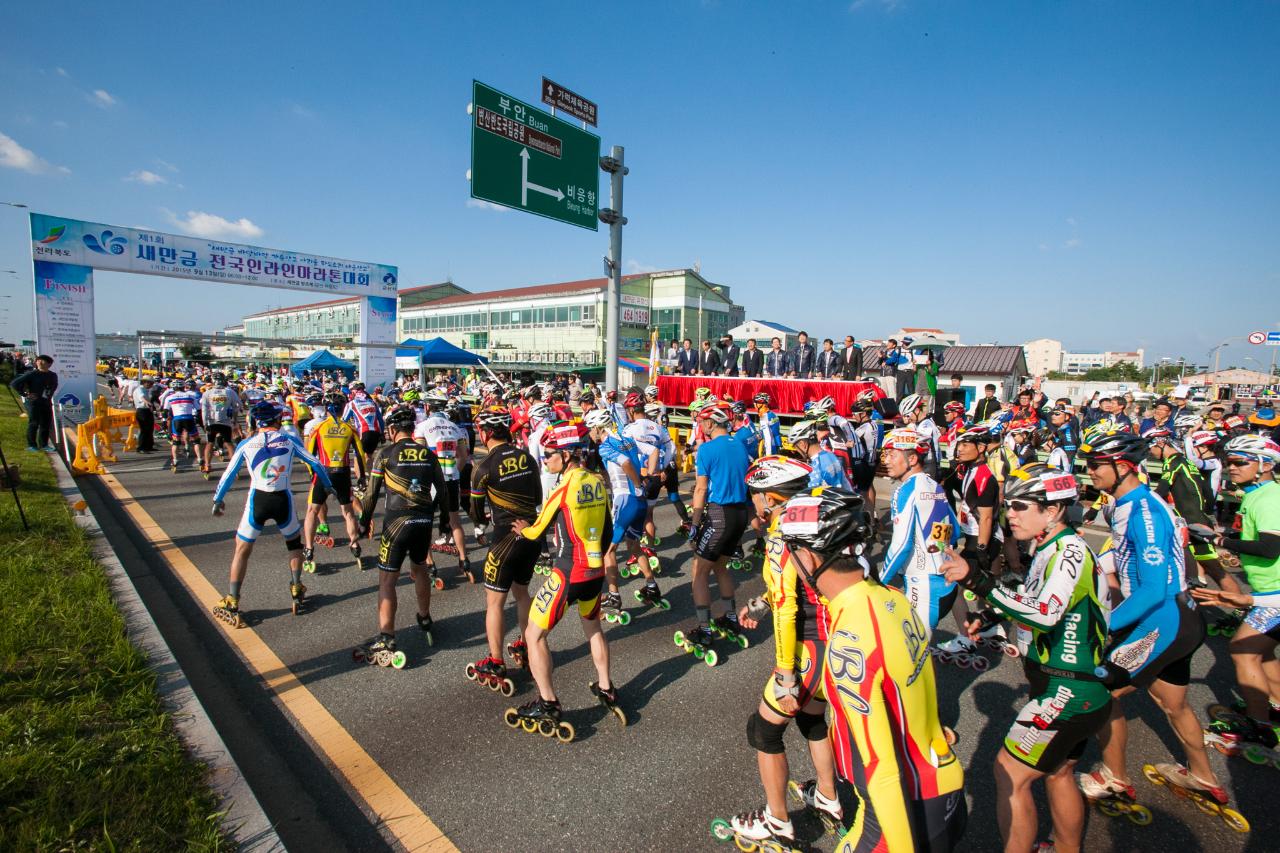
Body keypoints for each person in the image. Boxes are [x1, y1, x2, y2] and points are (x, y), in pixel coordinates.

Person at [779, 488, 968, 852]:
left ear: (809, 556)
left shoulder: (851, 638)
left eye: (792, 553)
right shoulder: (890, 598)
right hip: (940, 781)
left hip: (897, 810)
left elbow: (882, 771)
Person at [943, 464, 1111, 853]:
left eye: (1020, 506)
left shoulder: (1069, 550)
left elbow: (1046, 611)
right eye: (1008, 506)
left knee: (1011, 776)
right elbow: (1040, 599)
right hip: (1069, 685)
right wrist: (992, 614)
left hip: (1066, 689)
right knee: (1059, 773)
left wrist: (978, 581)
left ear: (1052, 511)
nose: (1009, 514)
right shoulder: (1049, 545)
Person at [1074, 431, 1230, 813]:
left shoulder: (1142, 511)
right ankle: (1204, 776)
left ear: (1122, 466)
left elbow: (1152, 589)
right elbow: (1129, 560)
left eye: (1096, 466)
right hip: (1181, 615)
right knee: (1172, 702)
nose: (1089, 472)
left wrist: (1103, 623)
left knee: (1102, 693)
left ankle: (1114, 778)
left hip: (1163, 617)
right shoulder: (1129, 503)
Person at [725, 456, 841, 848]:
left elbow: (789, 605)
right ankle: (828, 795)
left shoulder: (781, 534)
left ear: (772, 498)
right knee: (813, 719)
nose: (753, 504)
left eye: (756, 496)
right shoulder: (817, 518)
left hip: (810, 643)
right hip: (840, 638)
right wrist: (761, 603)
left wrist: (785, 672)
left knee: (764, 731)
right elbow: (801, 585)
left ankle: (777, 821)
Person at [511, 421, 617, 731]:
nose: (545, 460)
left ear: (567, 456)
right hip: (595, 571)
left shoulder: (563, 487)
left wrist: (521, 530)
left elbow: (537, 529)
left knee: (533, 636)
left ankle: (547, 703)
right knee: (594, 628)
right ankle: (606, 686)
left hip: (569, 571)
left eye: (549, 454)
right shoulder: (598, 481)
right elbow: (609, 530)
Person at [211, 401, 334, 626]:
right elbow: (315, 462)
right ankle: (296, 587)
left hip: (258, 499)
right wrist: (326, 485)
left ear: (255, 422)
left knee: (242, 549)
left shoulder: (247, 444)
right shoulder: (289, 440)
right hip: (282, 500)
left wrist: (218, 500)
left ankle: (233, 599)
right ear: (277, 420)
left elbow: (229, 474)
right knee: (293, 546)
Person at [1193, 435, 1280, 748]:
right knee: (1264, 651)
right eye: (1228, 461)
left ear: (1265, 465)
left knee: (1243, 651)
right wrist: (1225, 537)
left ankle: (1259, 727)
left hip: (1274, 593)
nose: (1230, 468)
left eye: (1239, 462)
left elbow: (1271, 547)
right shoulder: (1256, 494)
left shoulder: (1269, 497)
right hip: (1269, 589)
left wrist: (1221, 542)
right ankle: (1274, 706)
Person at [356, 405, 448, 659]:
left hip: (396, 523)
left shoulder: (386, 454)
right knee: (420, 569)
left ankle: (387, 636)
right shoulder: (428, 454)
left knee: (387, 580)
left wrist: (363, 522)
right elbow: (442, 488)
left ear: (394, 429)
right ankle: (425, 617)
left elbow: (371, 493)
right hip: (423, 522)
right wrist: (445, 523)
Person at [469, 407, 544, 683]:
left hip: (504, 539)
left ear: (486, 433)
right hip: (532, 535)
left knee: (495, 603)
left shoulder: (484, 466)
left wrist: (485, 519)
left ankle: (496, 661)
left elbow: (475, 511)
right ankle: (526, 644)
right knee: (522, 593)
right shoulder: (526, 457)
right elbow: (537, 496)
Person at [685, 403, 753, 650]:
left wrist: (694, 522)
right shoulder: (740, 444)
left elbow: (701, 489)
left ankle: (704, 630)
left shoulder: (706, 449)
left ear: (711, 423)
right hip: (740, 514)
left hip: (719, 513)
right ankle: (731, 618)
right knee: (721, 568)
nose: (701, 427)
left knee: (699, 571)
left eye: (703, 422)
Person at [587, 408, 666, 619]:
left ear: (597, 427)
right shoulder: (627, 439)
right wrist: (651, 474)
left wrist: (638, 483)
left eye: (590, 429)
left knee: (608, 550)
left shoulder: (605, 447)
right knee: (634, 546)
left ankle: (613, 596)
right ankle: (651, 586)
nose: (589, 434)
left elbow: (627, 463)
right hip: (639, 501)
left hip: (626, 499)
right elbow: (654, 451)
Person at [880, 427, 962, 632]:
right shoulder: (934, 485)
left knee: (910, 659)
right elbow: (955, 530)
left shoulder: (905, 490)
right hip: (946, 581)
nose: (886, 460)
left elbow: (901, 545)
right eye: (885, 454)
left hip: (924, 586)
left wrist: (878, 582)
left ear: (913, 459)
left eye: (892, 454)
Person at [1146, 426, 1239, 593]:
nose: (1151, 453)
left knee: (1215, 570)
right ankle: (1192, 605)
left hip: (1194, 521)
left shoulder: (1173, 462)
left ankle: (1240, 606)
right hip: (1194, 518)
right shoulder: (1185, 461)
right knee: (1189, 572)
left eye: (1151, 448)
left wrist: (1141, 504)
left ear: (1160, 443)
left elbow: (1161, 491)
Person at [301, 392, 368, 570]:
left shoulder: (319, 427)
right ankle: (354, 545)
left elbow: (309, 455)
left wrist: (311, 474)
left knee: (311, 512)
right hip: (343, 473)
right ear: (342, 408)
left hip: (323, 473)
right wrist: (361, 477)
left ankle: (308, 549)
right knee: (347, 512)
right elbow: (360, 455)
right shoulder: (350, 428)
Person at [415, 392, 473, 581]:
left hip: (431, 482)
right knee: (455, 521)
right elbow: (463, 456)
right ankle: (464, 560)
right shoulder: (455, 427)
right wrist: (454, 471)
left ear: (427, 408)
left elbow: (419, 457)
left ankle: (430, 565)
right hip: (452, 478)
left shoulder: (422, 426)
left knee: (425, 523)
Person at [10, 354, 58, 452]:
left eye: (42, 361)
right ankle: (32, 445)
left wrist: (48, 394)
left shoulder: (52, 375)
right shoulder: (32, 374)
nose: (39, 362)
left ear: (49, 364)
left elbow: (53, 386)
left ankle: (44, 445)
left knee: (46, 424)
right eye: (38, 360)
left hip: (46, 402)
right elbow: (14, 383)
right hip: (33, 402)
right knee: (34, 423)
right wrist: (24, 394)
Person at [788, 419, 851, 490]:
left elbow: (810, 496)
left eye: (796, 447)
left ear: (803, 444)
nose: (796, 451)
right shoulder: (830, 455)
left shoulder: (816, 467)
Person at [199, 372, 241, 478]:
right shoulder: (229, 392)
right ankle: (234, 468)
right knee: (228, 443)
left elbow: (204, 410)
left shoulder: (207, 393)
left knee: (210, 443)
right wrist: (234, 419)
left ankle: (207, 465)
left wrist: (204, 423)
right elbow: (237, 405)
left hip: (211, 421)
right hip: (225, 421)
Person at [162, 379, 202, 471]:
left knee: (175, 442)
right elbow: (198, 409)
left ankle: (175, 461)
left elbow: (165, 412)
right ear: (183, 387)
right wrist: (198, 419)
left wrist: (164, 422)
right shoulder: (190, 396)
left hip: (177, 419)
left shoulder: (170, 397)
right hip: (189, 418)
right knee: (196, 441)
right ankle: (200, 460)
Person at [132, 376, 157, 453]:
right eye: (150, 383)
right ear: (145, 382)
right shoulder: (139, 389)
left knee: (150, 429)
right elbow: (141, 398)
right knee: (144, 429)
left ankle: (149, 446)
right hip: (141, 410)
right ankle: (141, 448)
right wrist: (147, 402)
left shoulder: (146, 390)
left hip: (147, 410)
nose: (151, 385)